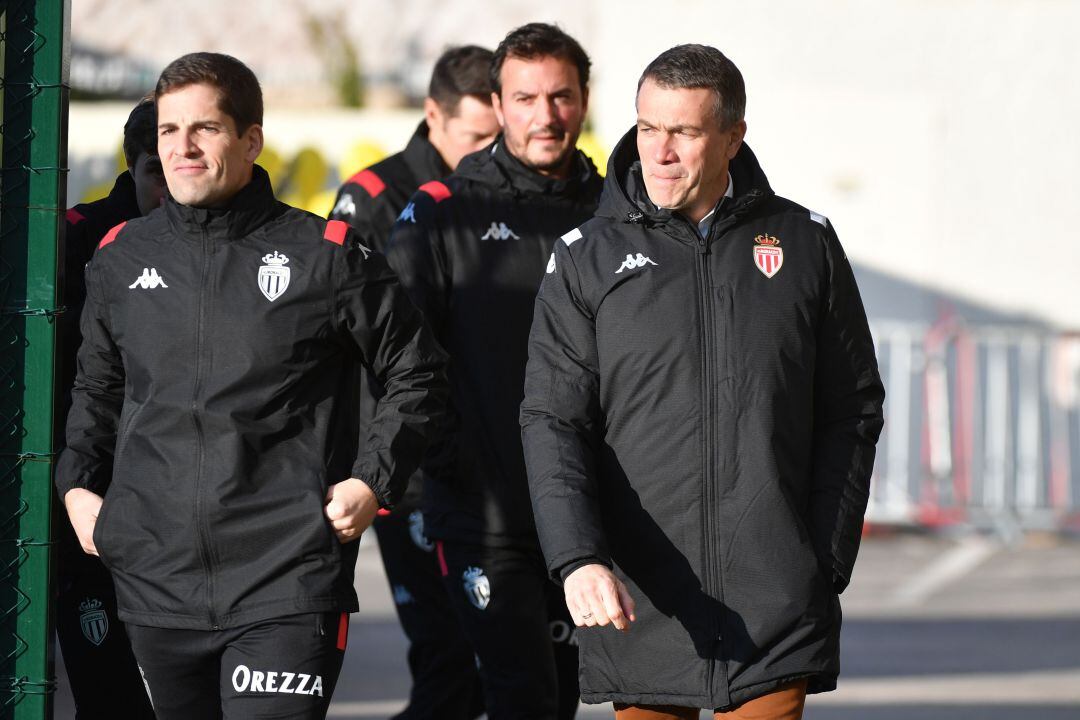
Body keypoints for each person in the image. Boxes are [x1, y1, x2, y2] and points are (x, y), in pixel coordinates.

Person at [54, 52, 448, 720]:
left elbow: (419, 374)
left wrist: (370, 480)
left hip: (287, 581)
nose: (181, 148)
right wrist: (79, 487)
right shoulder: (121, 257)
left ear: (250, 139)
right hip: (155, 580)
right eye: (168, 131)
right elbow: (98, 389)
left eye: (203, 129)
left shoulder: (327, 254)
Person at [520, 44, 885, 720]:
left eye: (683, 132)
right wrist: (577, 558)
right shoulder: (584, 259)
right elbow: (552, 421)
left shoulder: (804, 243)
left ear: (732, 137)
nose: (658, 151)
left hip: (773, 602)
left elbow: (852, 409)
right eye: (647, 128)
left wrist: (821, 559)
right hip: (639, 600)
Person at [385, 22, 603, 720]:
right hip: (483, 516)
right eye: (526, 97)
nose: (546, 115)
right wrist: (450, 463)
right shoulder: (443, 212)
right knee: (520, 694)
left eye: (561, 96)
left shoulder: (616, 214)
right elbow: (396, 357)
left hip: (587, 517)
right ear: (500, 104)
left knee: (563, 695)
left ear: (585, 99)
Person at [329, 44, 499, 720]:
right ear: (433, 115)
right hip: (414, 468)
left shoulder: (503, 194)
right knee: (447, 651)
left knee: (492, 658)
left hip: (494, 465)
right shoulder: (373, 200)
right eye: (478, 138)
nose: (491, 154)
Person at [55, 95, 164, 720]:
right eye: (154, 171)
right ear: (133, 168)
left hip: (177, 488)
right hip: (94, 485)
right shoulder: (79, 236)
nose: (169, 188)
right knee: (104, 682)